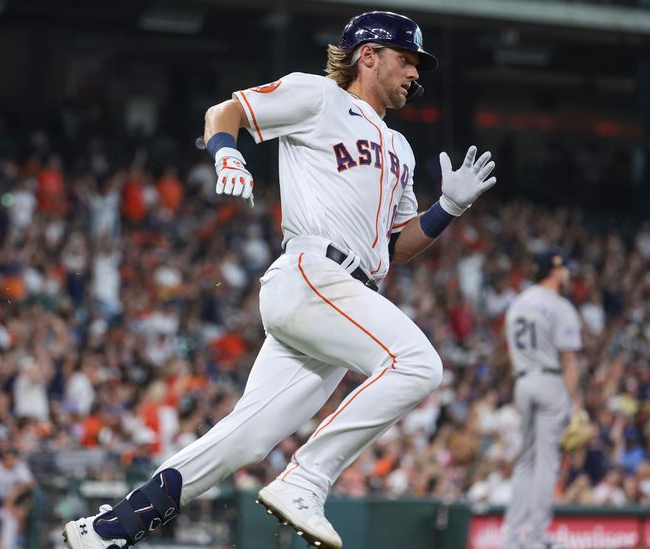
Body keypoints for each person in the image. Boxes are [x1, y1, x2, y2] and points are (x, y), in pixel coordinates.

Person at [63, 10, 497, 549]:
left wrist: (448, 209)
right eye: (406, 59)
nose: (415, 72)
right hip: (314, 273)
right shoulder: (318, 96)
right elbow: (227, 112)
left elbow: (398, 247)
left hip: (345, 297)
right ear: (368, 55)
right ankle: (306, 479)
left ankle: (109, 529)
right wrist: (227, 155)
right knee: (418, 364)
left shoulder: (402, 148)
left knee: (246, 438)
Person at [502, 247, 583, 549]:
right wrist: (576, 404)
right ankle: (536, 538)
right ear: (556, 269)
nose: (568, 274)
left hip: (523, 380)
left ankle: (511, 539)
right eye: (565, 269)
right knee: (547, 461)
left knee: (526, 461)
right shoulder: (560, 307)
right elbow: (570, 362)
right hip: (550, 381)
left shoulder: (518, 303)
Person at [0, 448, 36, 549]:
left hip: (6, 508)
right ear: (3, 459)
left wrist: (16, 492)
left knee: (10, 519)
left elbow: (31, 484)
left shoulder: (18, 468)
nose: (12, 462)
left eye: (14, 459)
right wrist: (10, 504)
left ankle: (7, 546)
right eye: (9, 459)